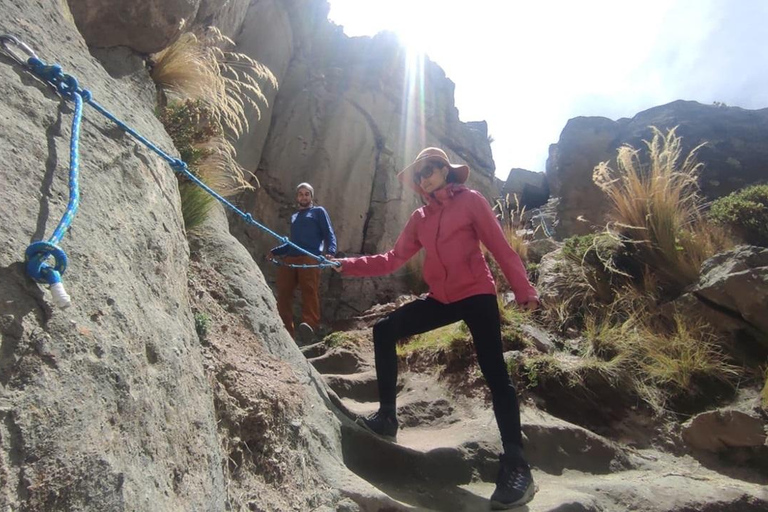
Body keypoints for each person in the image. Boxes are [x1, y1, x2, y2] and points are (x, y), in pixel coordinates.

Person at [331, 148, 539, 509]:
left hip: (476, 294)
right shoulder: (420, 217)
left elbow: (500, 247)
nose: (423, 178)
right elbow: (392, 259)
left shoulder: (470, 201)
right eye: (418, 174)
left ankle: (517, 464)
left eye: (429, 170)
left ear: (446, 170)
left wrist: (524, 289)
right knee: (384, 330)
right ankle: (387, 418)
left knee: (494, 371)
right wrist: (347, 264)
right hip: (441, 298)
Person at [270, 182, 337, 344]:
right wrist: (275, 251)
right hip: (291, 257)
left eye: (307, 194)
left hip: (310, 256)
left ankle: (310, 323)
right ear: (297, 197)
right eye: (301, 194)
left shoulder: (318, 212)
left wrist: (331, 251)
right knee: (283, 291)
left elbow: (329, 233)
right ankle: (287, 331)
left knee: (309, 288)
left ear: (311, 197)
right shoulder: (294, 217)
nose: (304, 196)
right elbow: (292, 242)